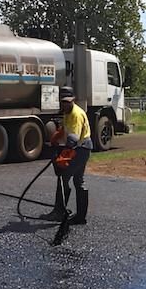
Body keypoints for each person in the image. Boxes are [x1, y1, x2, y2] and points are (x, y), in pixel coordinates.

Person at [47, 87, 92, 225]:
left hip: (79, 149)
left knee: (63, 177)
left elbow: (72, 139)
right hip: (82, 148)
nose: (65, 104)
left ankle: (59, 213)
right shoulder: (68, 112)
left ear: (73, 100)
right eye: (63, 102)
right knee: (78, 181)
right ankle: (80, 217)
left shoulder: (76, 114)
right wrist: (56, 138)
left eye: (68, 101)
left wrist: (61, 159)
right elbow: (65, 129)